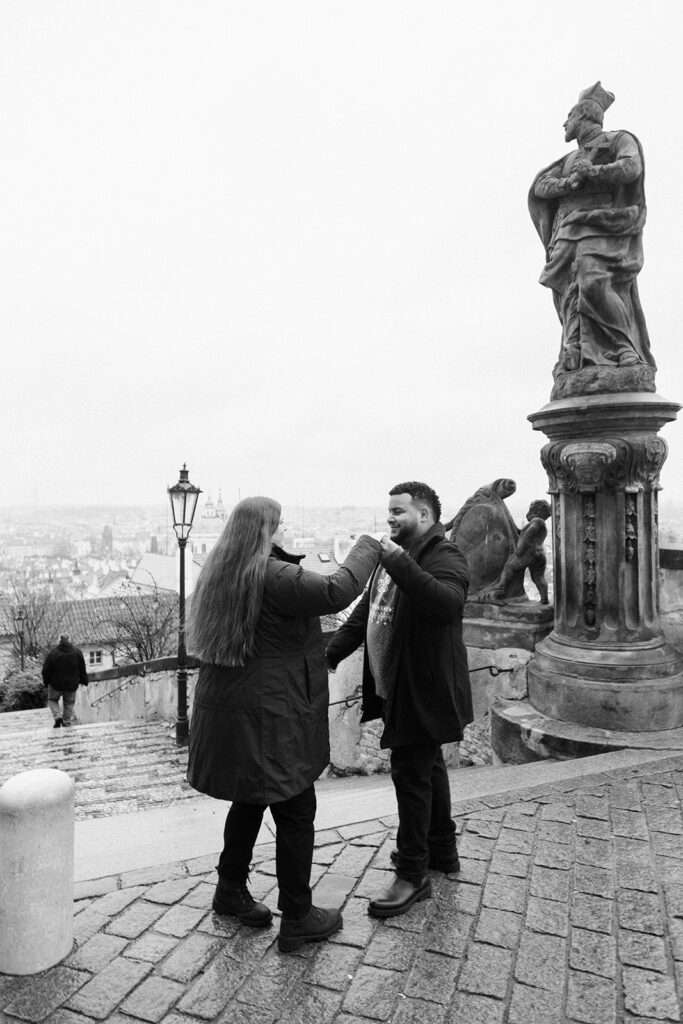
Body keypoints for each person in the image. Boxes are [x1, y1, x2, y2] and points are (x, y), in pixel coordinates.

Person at [186, 496, 380, 952]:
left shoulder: (221, 571)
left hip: (233, 710)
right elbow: (336, 590)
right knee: (295, 809)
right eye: (282, 525)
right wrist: (370, 545)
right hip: (269, 715)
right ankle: (297, 915)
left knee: (250, 799)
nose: (288, 532)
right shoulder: (271, 575)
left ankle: (229, 889)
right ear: (265, 532)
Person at [325, 482, 472, 918]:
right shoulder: (393, 558)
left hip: (424, 689)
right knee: (429, 767)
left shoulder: (444, 555)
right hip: (400, 687)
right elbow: (365, 614)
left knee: (411, 776)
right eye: (388, 511)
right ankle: (441, 850)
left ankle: (412, 873)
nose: (390, 518)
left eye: (398, 511)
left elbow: (447, 604)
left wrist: (398, 562)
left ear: (424, 515)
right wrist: (329, 655)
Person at [529, 81, 656, 376]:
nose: (565, 123)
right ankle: (574, 349)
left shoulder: (618, 140)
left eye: (569, 116)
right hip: (566, 231)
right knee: (568, 292)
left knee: (591, 280)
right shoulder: (568, 160)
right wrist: (567, 184)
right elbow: (540, 186)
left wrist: (595, 172)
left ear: (584, 114)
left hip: (602, 224)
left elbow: (631, 167)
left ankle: (624, 348)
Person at [478, 500, 552, 604]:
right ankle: (544, 599)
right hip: (540, 554)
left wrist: (521, 548)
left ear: (535, 512)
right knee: (538, 577)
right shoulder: (542, 524)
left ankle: (501, 587)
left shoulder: (537, 521)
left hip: (529, 553)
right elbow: (522, 532)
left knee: (509, 566)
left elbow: (530, 531)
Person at [41, 633, 88, 728]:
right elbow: (82, 668)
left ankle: (57, 716)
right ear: (69, 640)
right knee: (69, 703)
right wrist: (84, 680)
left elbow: (45, 670)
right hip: (71, 684)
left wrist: (46, 682)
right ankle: (66, 722)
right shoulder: (77, 652)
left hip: (55, 684)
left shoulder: (52, 653)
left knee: (52, 700)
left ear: (59, 641)